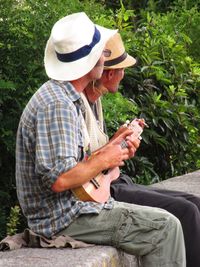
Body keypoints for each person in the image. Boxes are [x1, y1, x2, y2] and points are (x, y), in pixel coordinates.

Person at [15, 12, 186, 267]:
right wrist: (106, 156)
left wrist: (113, 145)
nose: (106, 58)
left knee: (175, 215)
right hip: (64, 218)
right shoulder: (58, 105)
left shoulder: (65, 96)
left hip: (70, 210)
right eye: (102, 53)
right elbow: (60, 179)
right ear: (89, 61)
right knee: (165, 227)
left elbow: (76, 166)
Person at [83, 32, 200, 267]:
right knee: (186, 211)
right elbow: (84, 166)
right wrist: (117, 148)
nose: (124, 75)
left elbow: (99, 155)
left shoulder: (96, 101)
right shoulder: (79, 104)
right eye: (122, 69)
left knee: (195, 202)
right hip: (106, 192)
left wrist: (121, 141)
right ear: (109, 73)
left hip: (114, 180)